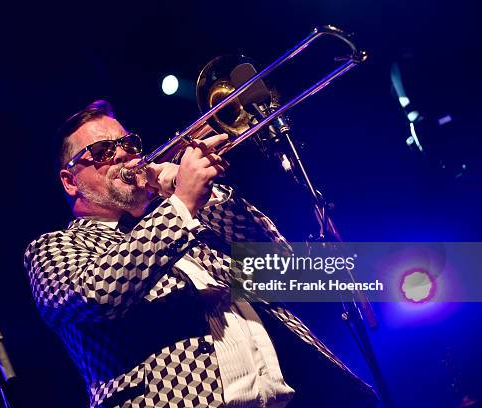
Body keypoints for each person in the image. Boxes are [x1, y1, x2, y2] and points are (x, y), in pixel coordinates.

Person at [24, 100, 377, 407]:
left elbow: (282, 268)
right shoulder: (52, 248)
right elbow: (96, 294)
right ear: (70, 181)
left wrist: (204, 201)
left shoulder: (186, 232)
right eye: (102, 151)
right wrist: (182, 203)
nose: (123, 155)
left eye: (129, 144)